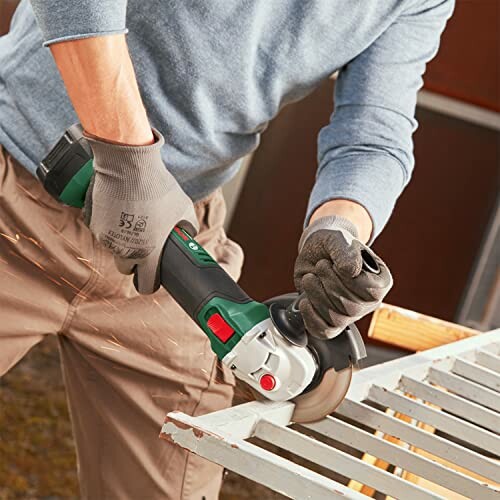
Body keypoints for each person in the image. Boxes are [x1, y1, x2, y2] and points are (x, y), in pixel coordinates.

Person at [0, 0, 454, 498]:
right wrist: (127, 158)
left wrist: (341, 228)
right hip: (18, 189)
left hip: (172, 248)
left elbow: (374, 136)